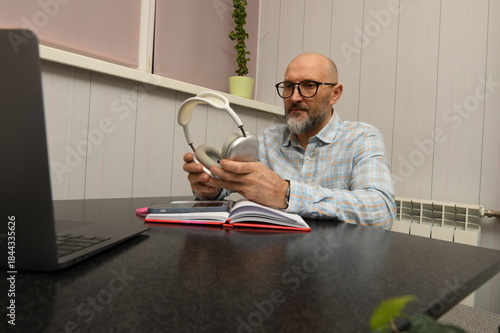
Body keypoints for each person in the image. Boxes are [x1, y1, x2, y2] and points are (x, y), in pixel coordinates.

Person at [183, 52, 396, 229]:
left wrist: (285, 193)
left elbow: (381, 211)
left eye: (309, 85)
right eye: (288, 86)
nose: (294, 97)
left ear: (335, 94)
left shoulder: (362, 138)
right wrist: (211, 189)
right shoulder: (269, 139)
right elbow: (236, 183)